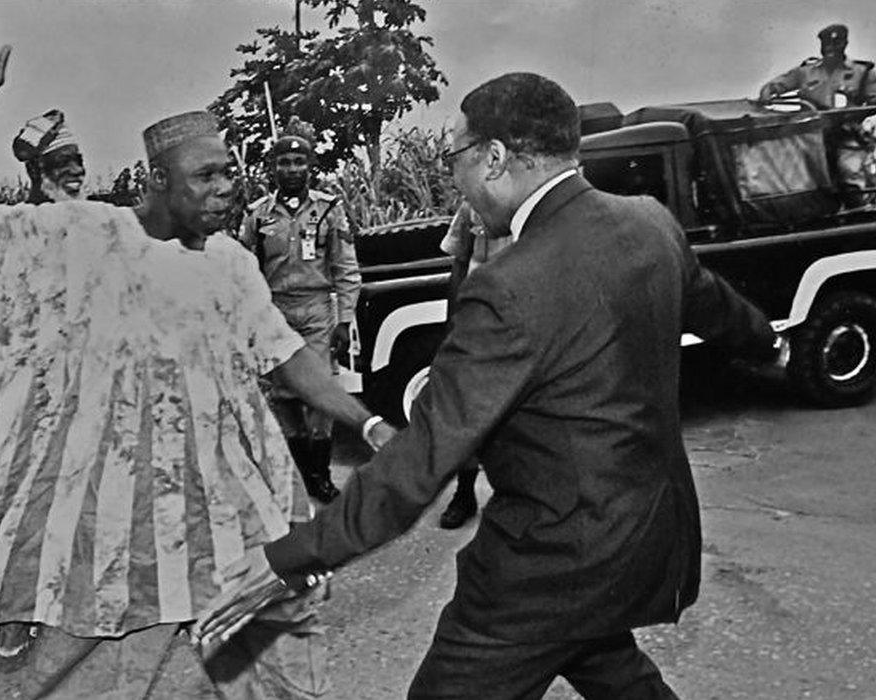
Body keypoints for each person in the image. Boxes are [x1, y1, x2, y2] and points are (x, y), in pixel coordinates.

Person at [215, 72, 785, 699]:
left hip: (548, 565)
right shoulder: (649, 223)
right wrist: (772, 343)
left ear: (493, 158)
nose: (452, 177)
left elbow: (423, 458)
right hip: (644, 536)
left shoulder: (509, 284)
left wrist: (288, 559)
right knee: (608, 664)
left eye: (454, 156)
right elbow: (716, 308)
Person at [0, 5, 393, 696]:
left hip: (226, 506)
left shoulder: (231, 264)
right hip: (119, 519)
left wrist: (365, 422)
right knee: (112, 678)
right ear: (157, 180)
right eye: (206, 177)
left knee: (285, 677)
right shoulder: (85, 236)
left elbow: (286, 355)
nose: (226, 188)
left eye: (228, 174)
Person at [238, 125, 361, 503]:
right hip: (275, 312)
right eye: (283, 162)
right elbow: (245, 271)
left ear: (310, 166)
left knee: (318, 394)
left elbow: (345, 267)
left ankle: (321, 477)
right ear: (272, 169)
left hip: (316, 312)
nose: (291, 169)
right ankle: (302, 477)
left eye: (298, 162)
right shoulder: (257, 216)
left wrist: (344, 319)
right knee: (282, 396)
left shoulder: (328, 210)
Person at [436, 200, 513, 529]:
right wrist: (453, 321)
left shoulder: (536, 199)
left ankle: (515, 496)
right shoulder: (472, 207)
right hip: (477, 319)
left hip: (522, 317)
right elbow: (459, 262)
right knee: (467, 412)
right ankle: (464, 494)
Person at [758, 23, 876, 207]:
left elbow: (873, 103)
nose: (830, 49)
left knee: (850, 176)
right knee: (802, 183)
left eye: (836, 44)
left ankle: (859, 211)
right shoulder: (805, 73)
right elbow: (777, 85)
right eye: (826, 44)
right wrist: (768, 91)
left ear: (845, 44)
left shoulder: (862, 73)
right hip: (811, 138)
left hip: (846, 136)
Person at [12, 108, 87, 203]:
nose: (78, 170)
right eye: (63, 162)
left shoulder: (99, 215)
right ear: (34, 170)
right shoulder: (19, 217)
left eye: (79, 161)